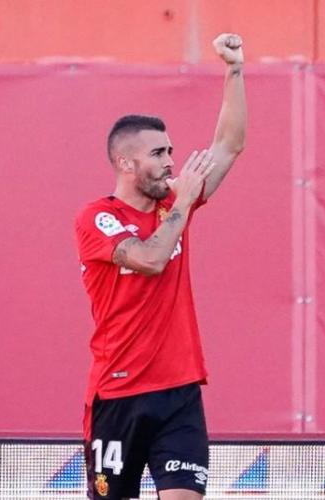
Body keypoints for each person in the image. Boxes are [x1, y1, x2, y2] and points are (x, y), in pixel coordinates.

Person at [75, 33, 246, 500]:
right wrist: (184, 203)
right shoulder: (98, 216)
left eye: (170, 151)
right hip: (119, 393)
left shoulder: (173, 201)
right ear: (125, 163)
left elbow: (229, 145)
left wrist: (234, 70)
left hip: (179, 391)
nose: (171, 163)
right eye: (158, 154)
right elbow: (149, 259)